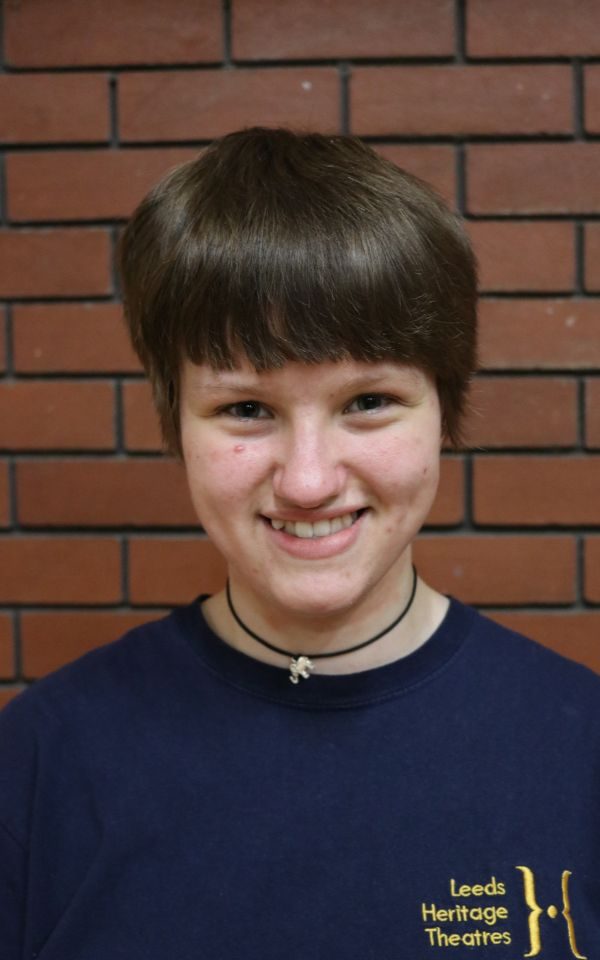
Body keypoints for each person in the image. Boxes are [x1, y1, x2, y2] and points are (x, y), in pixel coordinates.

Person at [0, 128, 598, 959]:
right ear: (176, 422)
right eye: (246, 409)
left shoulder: (582, 750)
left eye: (368, 401)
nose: (309, 481)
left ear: (445, 411)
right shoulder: (35, 766)